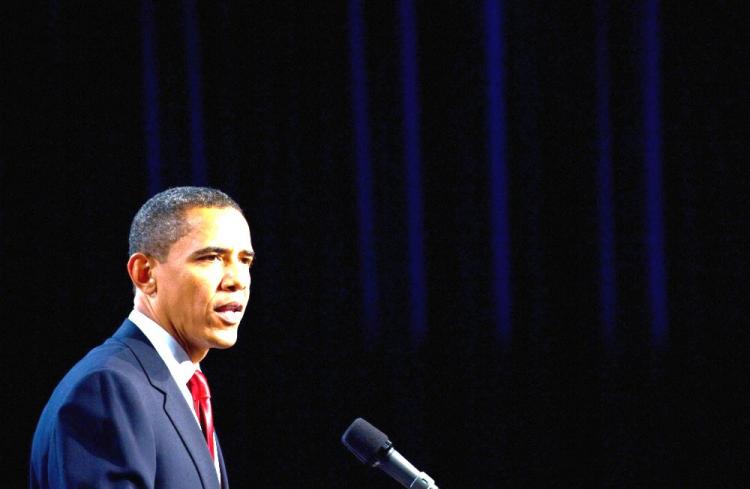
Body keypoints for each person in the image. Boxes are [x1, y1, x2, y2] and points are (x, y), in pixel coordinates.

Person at [29, 186, 254, 489]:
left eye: (245, 260)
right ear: (145, 274)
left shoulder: (183, 388)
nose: (237, 280)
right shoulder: (107, 389)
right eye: (212, 258)